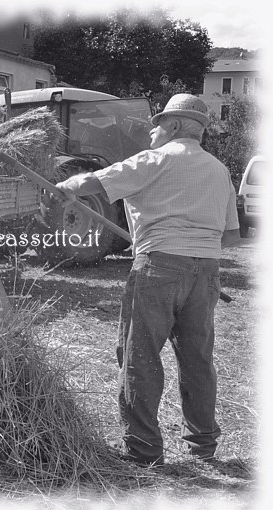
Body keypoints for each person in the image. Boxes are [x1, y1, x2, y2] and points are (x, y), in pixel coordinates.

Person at [53, 94, 241, 467]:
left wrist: (63, 188)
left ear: (173, 126)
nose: (152, 130)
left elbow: (93, 181)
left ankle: (143, 450)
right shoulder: (219, 170)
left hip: (158, 269)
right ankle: (203, 444)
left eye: (158, 123)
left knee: (139, 356)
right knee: (197, 359)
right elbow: (231, 236)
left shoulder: (154, 159)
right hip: (206, 272)